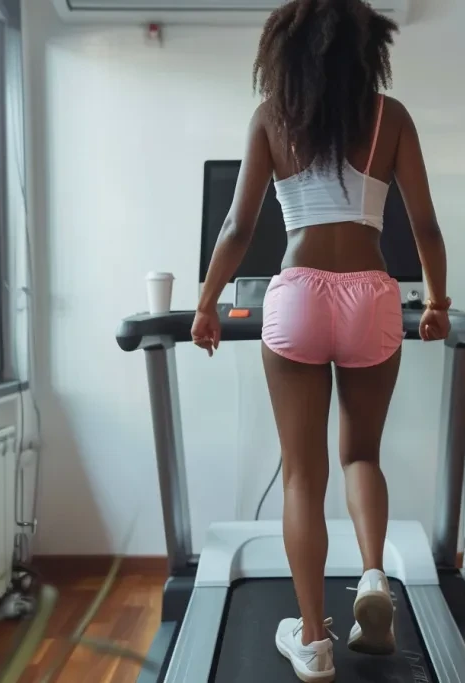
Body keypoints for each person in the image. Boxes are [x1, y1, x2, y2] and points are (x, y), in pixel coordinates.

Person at [191, 0, 450, 680]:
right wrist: (438, 303)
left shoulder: (272, 117)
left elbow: (237, 230)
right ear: (368, 51)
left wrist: (207, 302)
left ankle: (312, 640)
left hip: (299, 292)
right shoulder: (390, 117)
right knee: (362, 453)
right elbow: (424, 225)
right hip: (372, 292)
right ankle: (370, 578)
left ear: (286, 51)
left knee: (303, 474)